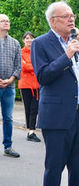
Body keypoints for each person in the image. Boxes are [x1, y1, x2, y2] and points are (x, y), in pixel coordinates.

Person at [30, 2, 79, 186]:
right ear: (53, 22)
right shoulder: (40, 43)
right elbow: (43, 76)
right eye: (66, 16)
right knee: (54, 168)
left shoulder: (77, 42)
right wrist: (66, 55)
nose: (71, 19)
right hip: (56, 118)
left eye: (72, 15)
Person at [0, 14, 21, 158]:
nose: (6, 23)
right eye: (3, 21)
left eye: (8, 21)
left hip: (9, 87)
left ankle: (8, 147)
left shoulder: (15, 43)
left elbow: (18, 66)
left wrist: (11, 79)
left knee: (8, 118)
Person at [18, 31, 40, 142]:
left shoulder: (37, 52)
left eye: (31, 38)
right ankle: (30, 131)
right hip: (25, 85)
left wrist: (31, 65)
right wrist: (33, 66)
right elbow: (25, 67)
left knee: (35, 108)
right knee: (28, 108)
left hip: (37, 85)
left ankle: (31, 130)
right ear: (23, 40)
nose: (29, 40)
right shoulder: (20, 52)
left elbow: (40, 65)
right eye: (27, 38)